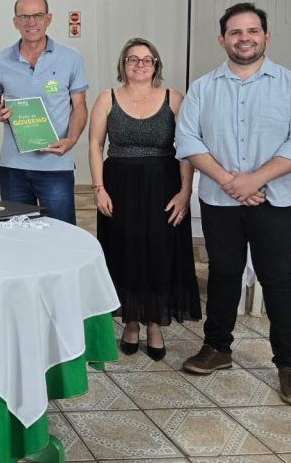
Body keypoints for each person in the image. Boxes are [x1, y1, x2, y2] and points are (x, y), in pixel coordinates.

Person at [176, 2, 291, 405]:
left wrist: (254, 180)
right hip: (220, 201)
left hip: (276, 201)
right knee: (223, 275)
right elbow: (188, 141)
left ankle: (290, 366)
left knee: (278, 280)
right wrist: (228, 181)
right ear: (222, 39)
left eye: (252, 31)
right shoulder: (204, 88)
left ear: (266, 37)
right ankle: (217, 348)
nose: (245, 38)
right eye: (236, 32)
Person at [88, 37, 201, 361]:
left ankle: (154, 322)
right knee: (125, 251)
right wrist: (99, 189)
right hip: (119, 186)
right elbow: (95, 145)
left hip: (163, 186)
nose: (140, 65)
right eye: (132, 59)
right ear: (123, 65)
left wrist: (184, 191)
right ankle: (131, 321)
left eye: (146, 59)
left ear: (156, 65)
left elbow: (187, 149)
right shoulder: (107, 98)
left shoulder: (173, 98)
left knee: (159, 252)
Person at [0, 0, 88, 224]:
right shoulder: (0, 61)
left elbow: (80, 107)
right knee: (17, 237)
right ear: (15, 22)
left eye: (37, 16)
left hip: (56, 166)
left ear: (48, 19)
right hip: (13, 168)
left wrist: (71, 139)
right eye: (24, 16)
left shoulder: (71, 58)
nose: (31, 22)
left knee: (61, 235)